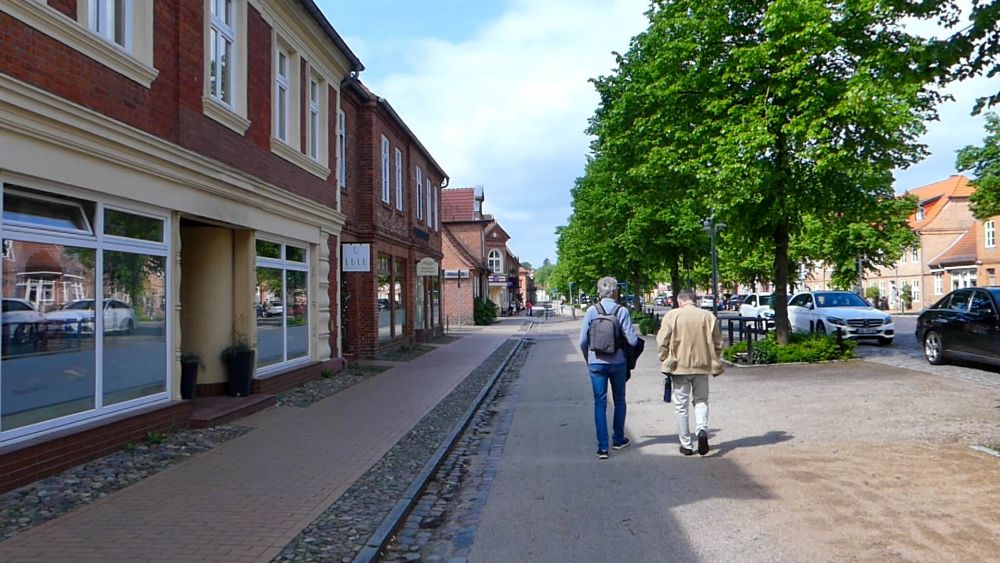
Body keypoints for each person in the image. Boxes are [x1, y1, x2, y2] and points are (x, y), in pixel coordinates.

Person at [656, 290, 724, 456]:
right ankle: (701, 429)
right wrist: (712, 357)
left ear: (680, 301)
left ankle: (686, 444)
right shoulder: (708, 317)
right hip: (702, 366)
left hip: (679, 366)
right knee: (701, 400)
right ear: (695, 300)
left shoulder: (672, 316)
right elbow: (718, 342)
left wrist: (665, 358)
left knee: (681, 406)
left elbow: (662, 341)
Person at [579, 276, 641, 459]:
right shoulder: (621, 311)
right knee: (620, 400)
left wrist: (588, 358)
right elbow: (632, 340)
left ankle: (603, 448)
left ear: (599, 291)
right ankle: (619, 438)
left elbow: (583, 340)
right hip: (618, 362)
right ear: (615, 291)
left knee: (600, 403)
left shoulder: (591, 311)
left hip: (596, 362)